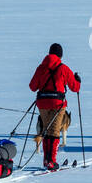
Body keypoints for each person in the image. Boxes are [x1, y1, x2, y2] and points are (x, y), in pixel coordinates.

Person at [28, 43, 81, 171]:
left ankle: (47, 160)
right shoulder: (63, 68)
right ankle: (51, 161)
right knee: (55, 132)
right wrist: (77, 80)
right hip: (58, 104)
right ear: (60, 55)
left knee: (46, 131)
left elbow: (32, 87)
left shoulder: (41, 68)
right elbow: (75, 87)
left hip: (42, 103)